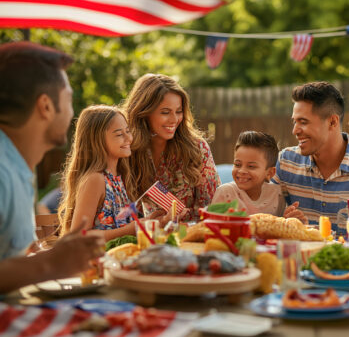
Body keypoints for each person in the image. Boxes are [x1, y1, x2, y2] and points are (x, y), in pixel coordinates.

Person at [0, 42, 104, 293]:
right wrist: (50, 264)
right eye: (68, 100)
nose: (71, 113)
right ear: (46, 106)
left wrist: (55, 254)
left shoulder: (17, 165)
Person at [272, 81, 349, 236]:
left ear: (332, 122)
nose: (295, 130)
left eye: (303, 122)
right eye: (295, 121)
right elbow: (266, 213)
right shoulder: (286, 162)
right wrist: (284, 222)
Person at [123, 74, 220, 222]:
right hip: (146, 237)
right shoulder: (128, 150)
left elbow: (213, 208)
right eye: (165, 112)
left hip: (193, 236)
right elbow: (122, 213)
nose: (174, 119)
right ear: (144, 112)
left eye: (178, 111)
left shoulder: (197, 148)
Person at [58, 105, 163, 241]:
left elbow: (121, 223)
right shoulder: (95, 180)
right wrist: (132, 229)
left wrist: (153, 221)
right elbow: (78, 236)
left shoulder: (119, 176)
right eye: (119, 134)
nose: (129, 139)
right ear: (97, 141)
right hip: (99, 260)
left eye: (127, 131)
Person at [212, 131, 305, 222]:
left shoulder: (277, 195)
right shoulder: (225, 193)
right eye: (237, 164)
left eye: (251, 166)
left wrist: (287, 220)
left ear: (269, 173)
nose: (242, 171)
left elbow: (276, 229)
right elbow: (211, 227)